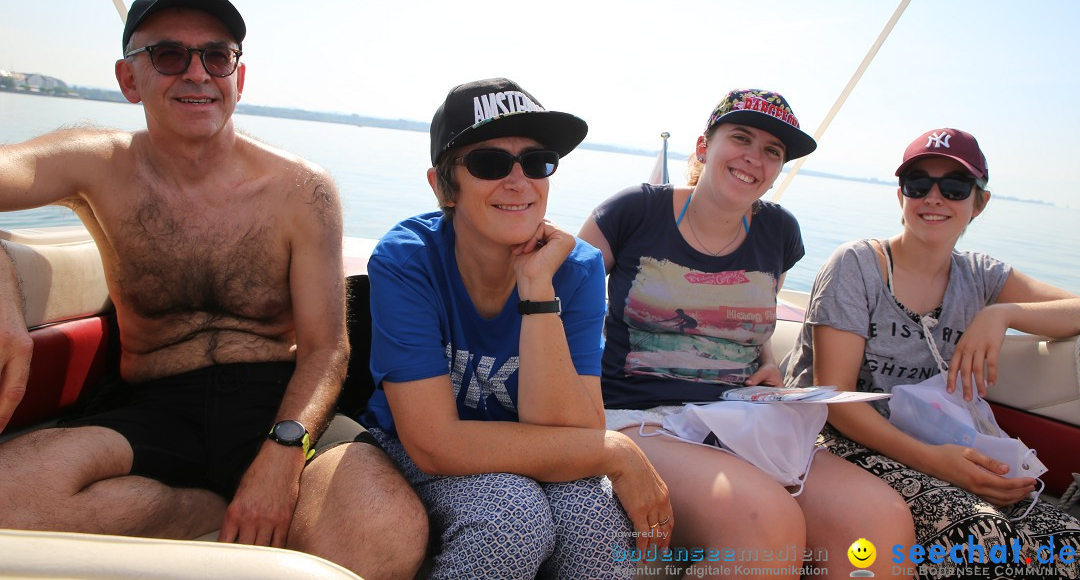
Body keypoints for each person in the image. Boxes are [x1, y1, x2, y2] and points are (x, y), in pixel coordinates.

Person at [0, 0, 427, 579]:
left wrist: (283, 453)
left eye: (217, 56)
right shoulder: (95, 165)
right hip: (150, 409)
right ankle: (194, 508)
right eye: (170, 55)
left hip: (278, 403)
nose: (197, 73)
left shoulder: (302, 189)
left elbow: (328, 348)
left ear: (239, 76)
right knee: (9, 499)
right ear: (129, 79)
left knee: (383, 535)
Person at [579, 89, 916, 577]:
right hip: (639, 416)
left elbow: (750, 313)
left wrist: (769, 361)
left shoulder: (778, 233)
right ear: (703, 146)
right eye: (741, 138)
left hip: (740, 414)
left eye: (772, 151)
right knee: (765, 522)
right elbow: (563, 305)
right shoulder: (633, 212)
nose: (754, 158)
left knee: (879, 524)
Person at [363, 77, 671, 579]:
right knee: (511, 517)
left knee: (596, 521)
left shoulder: (577, 269)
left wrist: (536, 289)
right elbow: (432, 442)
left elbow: (576, 429)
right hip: (410, 449)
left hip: (535, 444)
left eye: (536, 162)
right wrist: (616, 451)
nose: (519, 181)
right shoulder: (408, 260)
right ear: (444, 186)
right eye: (488, 163)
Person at [784, 127, 1080, 578]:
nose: (934, 198)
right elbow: (836, 401)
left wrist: (1000, 314)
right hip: (829, 439)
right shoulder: (858, 266)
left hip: (932, 442)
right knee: (981, 538)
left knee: (1065, 542)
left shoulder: (979, 276)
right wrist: (939, 464)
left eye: (955, 187)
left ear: (978, 203)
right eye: (918, 184)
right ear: (901, 195)